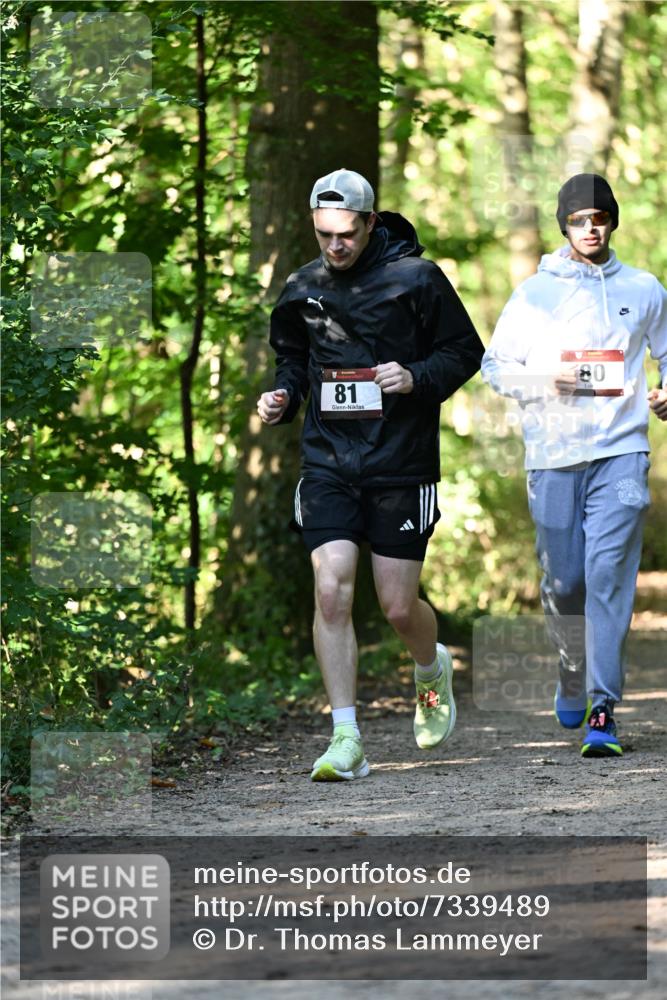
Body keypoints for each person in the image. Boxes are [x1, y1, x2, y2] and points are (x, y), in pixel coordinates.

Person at [257, 168, 484, 781]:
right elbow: (294, 361)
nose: (335, 246)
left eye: (347, 235)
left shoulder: (417, 278)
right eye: (325, 234)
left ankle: (431, 668)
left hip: (400, 462)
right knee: (331, 587)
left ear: (371, 224)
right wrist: (281, 395)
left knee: (396, 605)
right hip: (329, 458)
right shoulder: (303, 285)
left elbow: (465, 352)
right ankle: (346, 738)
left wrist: (414, 377)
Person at [481, 173, 667, 758]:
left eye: (599, 218)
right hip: (554, 457)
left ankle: (603, 705)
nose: (590, 228)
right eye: (579, 220)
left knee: (609, 576)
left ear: (613, 220)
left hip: (621, 452)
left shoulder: (644, 288)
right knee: (566, 583)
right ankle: (569, 667)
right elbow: (494, 368)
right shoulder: (534, 294)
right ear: (564, 225)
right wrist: (546, 378)